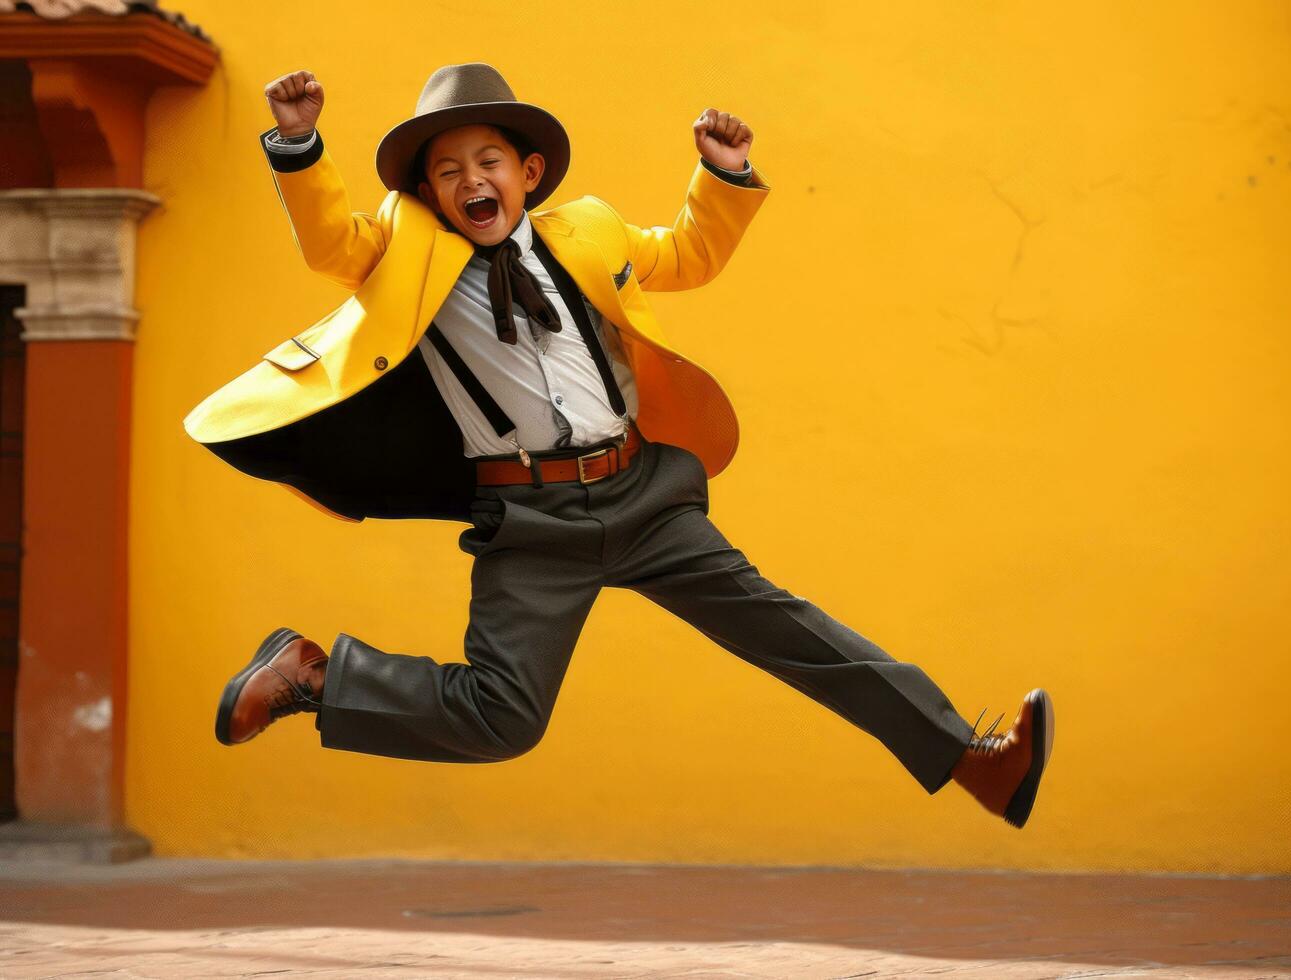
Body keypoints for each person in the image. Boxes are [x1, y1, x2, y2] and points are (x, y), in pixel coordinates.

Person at [196, 63, 1055, 828]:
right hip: (532, 521)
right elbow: (330, 242)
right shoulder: (404, 248)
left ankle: (970, 761)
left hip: (642, 494)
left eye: (488, 162)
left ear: (527, 173)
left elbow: (684, 254)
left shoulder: (589, 233)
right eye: (447, 171)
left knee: (790, 629)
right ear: (426, 193)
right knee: (503, 720)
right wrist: (300, 146)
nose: (471, 181)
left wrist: (720, 177)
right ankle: (315, 676)